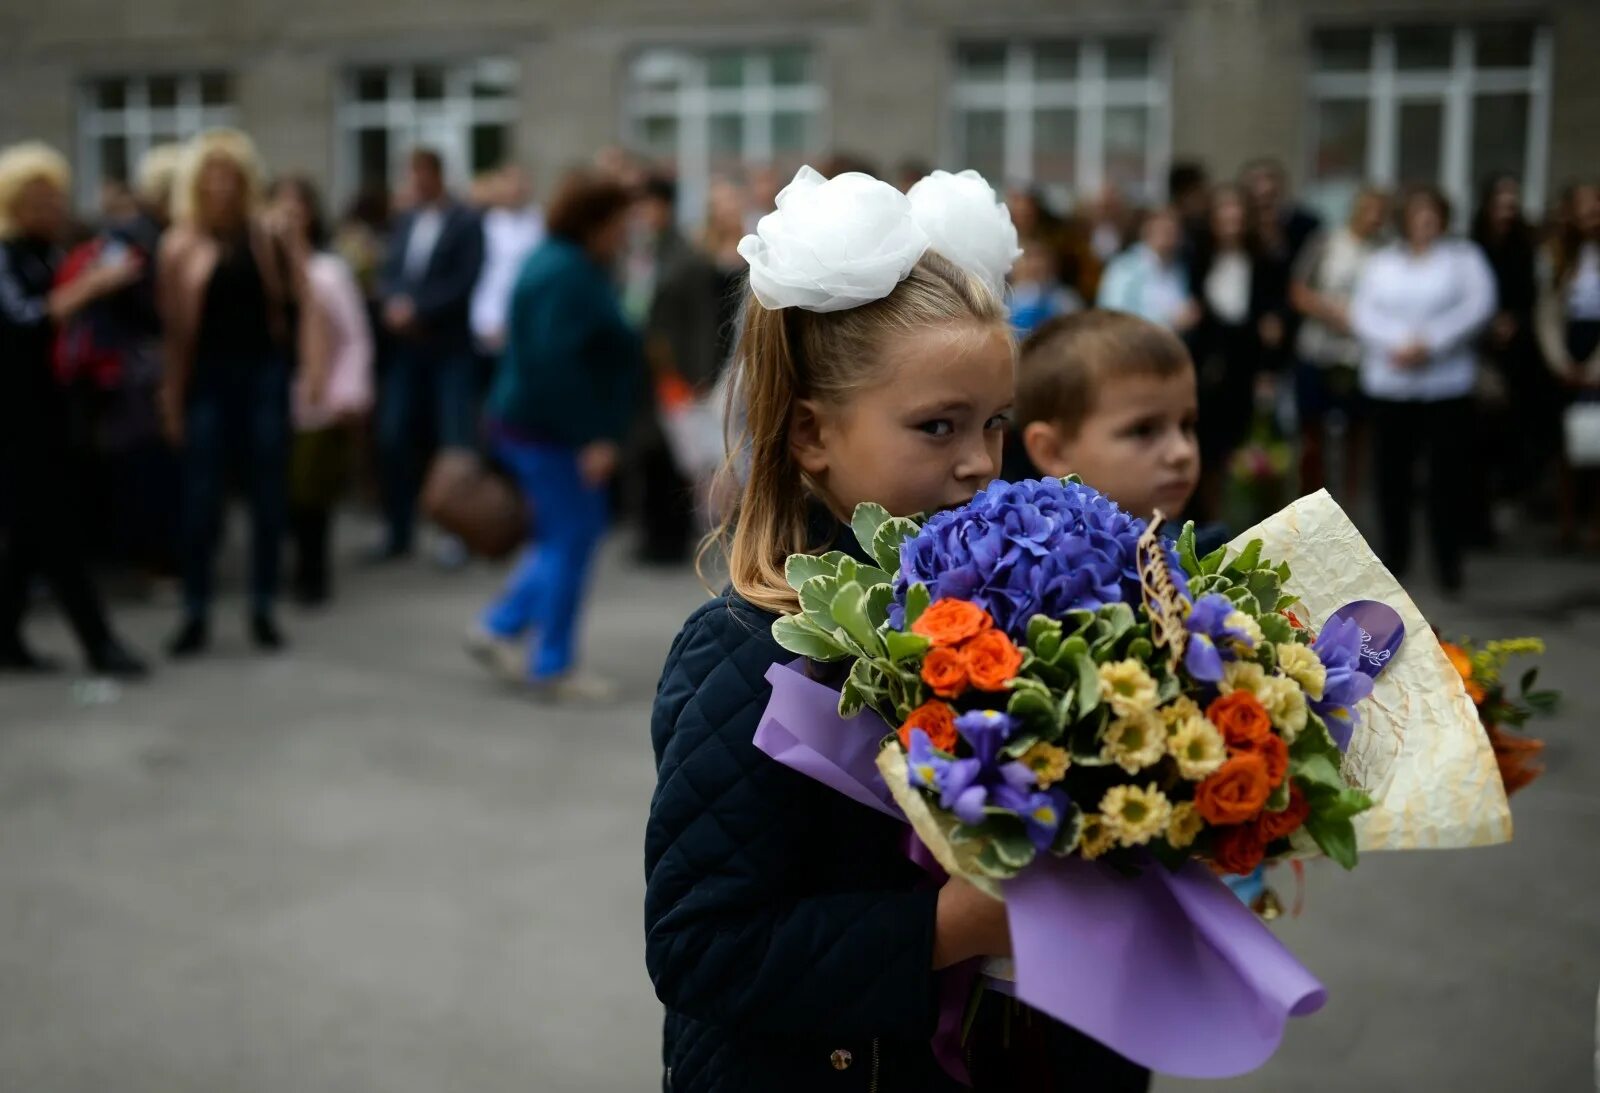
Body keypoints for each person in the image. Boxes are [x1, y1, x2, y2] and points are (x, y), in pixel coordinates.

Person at [645, 165, 1148, 1092]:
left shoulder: (1013, 607)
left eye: (995, 424)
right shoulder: (742, 651)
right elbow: (700, 947)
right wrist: (956, 923)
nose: (977, 465)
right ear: (809, 435)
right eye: (936, 426)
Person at [467, 169, 644, 698]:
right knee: (570, 537)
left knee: (565, 535)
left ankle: (500, 626)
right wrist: (591, 436)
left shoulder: (562, 263)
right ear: (594, 223)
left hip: (538, 426)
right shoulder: (566, 272)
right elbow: (554, 366)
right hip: (549, 432)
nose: (626, 234)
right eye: (620, 223)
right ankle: (552, 664)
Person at [158, 129, 311, 655]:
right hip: (206, 379)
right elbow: (173, 335)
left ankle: (263, 604)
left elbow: (303, 303)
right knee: (201, 500)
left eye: (231, 175)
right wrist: (172, 400)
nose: (221, 185)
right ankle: (196, 609)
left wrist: (312, 371)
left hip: (263, 374)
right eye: (212, 175)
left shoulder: (268, 235)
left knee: (269, 495)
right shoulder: (179, 244)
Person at [0, 141, 148, 677]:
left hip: (52, 408)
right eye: (40, 198)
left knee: (26, 533)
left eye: (56, 197)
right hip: (16, 417)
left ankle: (7, 636)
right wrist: (91, 286)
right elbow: (23, 323)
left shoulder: (50, 255)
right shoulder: (6, 256)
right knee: (56, 532)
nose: (53, 207)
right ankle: (98, 642)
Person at [1351, 185, 1496, 593]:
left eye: (1432, 213)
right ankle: (1394, 558)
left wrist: (1430, 343)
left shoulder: (1464, 259)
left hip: (1445, 386)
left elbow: (1478, 305)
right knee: (1391, 478)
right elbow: (1364, 312)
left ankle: (1448, 562)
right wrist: (1399, 344)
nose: (1425, 221)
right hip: (1390, 385)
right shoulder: (1383, 262)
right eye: (1418, 213)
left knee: (1446, 479)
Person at [373, 147, 485, 561]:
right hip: (407, 351)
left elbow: (465, 279)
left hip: (448, 347)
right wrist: (392, 305)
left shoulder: (465, 221)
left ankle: (457, 532)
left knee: (453, 441)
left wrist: (419, 310)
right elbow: (390, 274)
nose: (415, 182)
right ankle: (398, 529)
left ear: (437, 176)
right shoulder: (405, 220)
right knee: (394, 435)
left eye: (421, 174)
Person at [268, 175, 374, 606]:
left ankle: (313, 575)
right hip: (273, 392)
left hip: (317, 397)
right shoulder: (258, 269)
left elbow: (354, 336)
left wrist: (348, 393)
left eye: (298, 210)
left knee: (311, 493)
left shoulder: (327, 272)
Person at [1017, 310, 1201, 526]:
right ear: (1053, 451)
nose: (1182, 452)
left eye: (1186, 426)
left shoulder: (1212, 551)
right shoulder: (1031, 558)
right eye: (1144, 430)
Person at [631, 174, 725, 564]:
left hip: (676, 372)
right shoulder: (643, 252)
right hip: (648, 370)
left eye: (647, 205)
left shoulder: (686, 257)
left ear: (664, 206)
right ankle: (652, 535)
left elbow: (703, 322)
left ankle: (670, 540)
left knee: (673, 456)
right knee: (649, 455)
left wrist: (700, 376)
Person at [1188, 184, 1290, 519]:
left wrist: (1267, 369)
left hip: (1247, 366)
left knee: (1248, 453)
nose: (1232, 221)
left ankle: (1245, 521)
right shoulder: (1199, 259)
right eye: (1224, 215)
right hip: (1207, 368)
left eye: (1237, 215)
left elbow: (1274, 320)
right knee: (1208, 450)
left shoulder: (1263, 261)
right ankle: (1207, 520)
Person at [1291, 185, 1389, 504]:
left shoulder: (1386, 250)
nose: (1375, 219)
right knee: (1312, 432)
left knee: (1358, 433)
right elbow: (1297, 290)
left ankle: (1350, 505)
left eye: (1381, 213)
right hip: (1319, 347)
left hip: (1361, 354)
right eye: (1369, 210)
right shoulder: (1327, 242)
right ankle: (1310, 503)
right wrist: (1332, 313)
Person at [1470, 175, 1545, 537]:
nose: (1506, 213)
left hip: (1517, 354)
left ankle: (1503, 504)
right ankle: (1476, 515)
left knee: (1511, 436)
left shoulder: (1524, 248)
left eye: (1512, 206)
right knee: (1477, 439)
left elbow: (1532, 296)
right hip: (1479, 351)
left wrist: (1513, 320)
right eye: (1500, 205)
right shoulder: (1473, 247)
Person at [1536, 181, 1600, 549]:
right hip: (1568, 349)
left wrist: (1595, 368)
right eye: (1583, 208)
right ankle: (1567, 520)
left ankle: (1594, 522)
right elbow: (1547, 312)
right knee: (1568, 442)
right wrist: (1561, 361)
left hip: (1596, 351)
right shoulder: (1559, 256)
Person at [470, 165, 544, 360]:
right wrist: (489, 320)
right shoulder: (486, 224)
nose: (515, 189)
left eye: (520, 183)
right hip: (492, 322)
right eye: (509, 183)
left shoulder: (539, 221)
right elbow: (489, 277)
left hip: (533, 320)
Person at [1096, 205, 1200, 335]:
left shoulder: (1180, 269)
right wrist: (1170, 321)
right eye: (1162, 229)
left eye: (1173, 230)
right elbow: (1112, 316)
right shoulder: (1124, 268)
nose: (1168, 237)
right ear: (1147, 230)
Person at [1008, 238, 1083, 338]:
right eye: (1029, 257)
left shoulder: (1066, 301)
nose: (1035, 264)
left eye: (1040, 257)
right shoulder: (1002, 302)